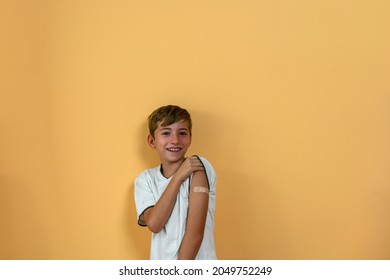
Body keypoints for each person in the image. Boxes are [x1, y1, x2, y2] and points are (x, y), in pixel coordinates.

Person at [134, 105, 217, 260]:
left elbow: (195, 234)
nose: (175, 140)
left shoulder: (198, 166)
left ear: (190, 138)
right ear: (152, 141)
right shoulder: (145, 180)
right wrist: (178, 178)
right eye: (166, 133)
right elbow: (154, 224)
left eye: (182, 133)